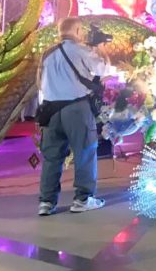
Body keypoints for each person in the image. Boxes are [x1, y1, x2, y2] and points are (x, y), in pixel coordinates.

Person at [35, 17, 109, 216]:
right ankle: (82, 199)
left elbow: (39, 84)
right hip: (76, 109)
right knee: (85, 152)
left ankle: (46, 202)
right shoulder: (81, 50)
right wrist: (100, 47)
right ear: (77, 30)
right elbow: (103, 69)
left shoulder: (47, 54)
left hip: (50, 111)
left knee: (52, 158)